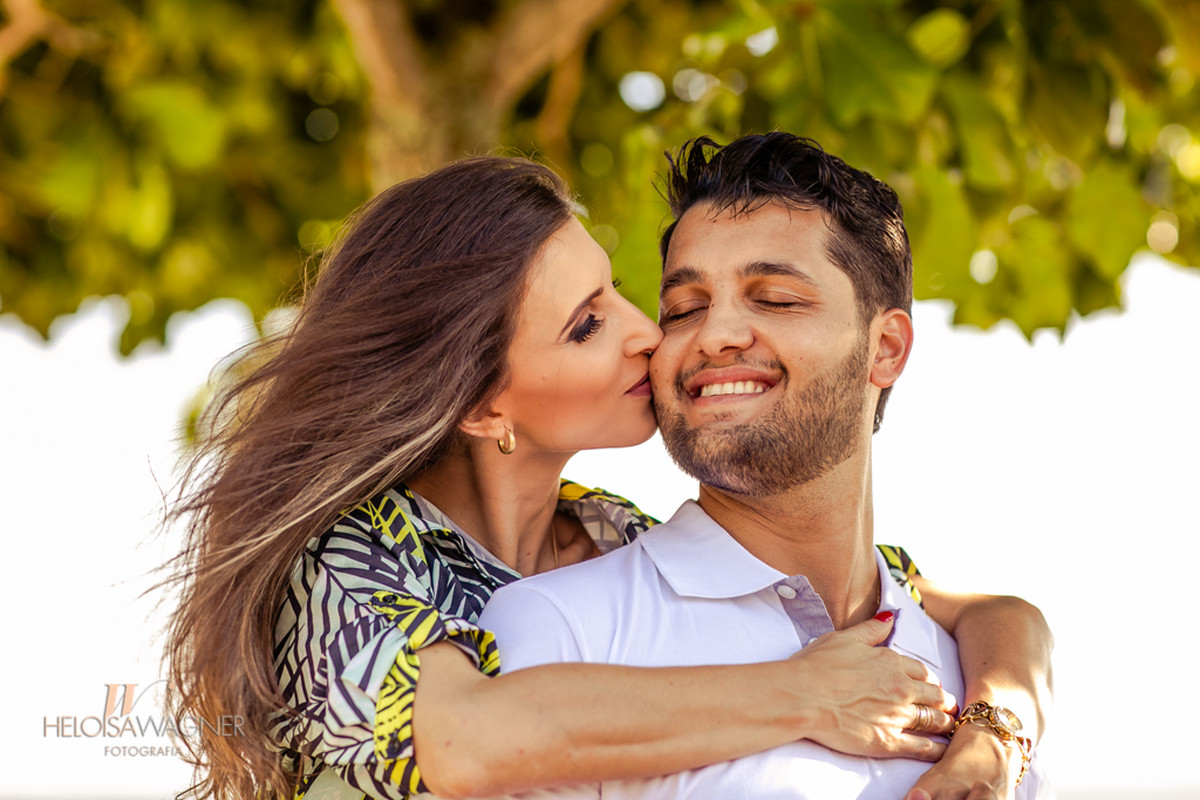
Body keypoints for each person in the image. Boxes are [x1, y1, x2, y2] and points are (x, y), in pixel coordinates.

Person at [163, 155, 1052, 800]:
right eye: (587, 325)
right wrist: (804, 694)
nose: (650, 335)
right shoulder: (352, 559)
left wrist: (995, 731)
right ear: (481, 407)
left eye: (631, 297)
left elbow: (982, 611)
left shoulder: (607, 533)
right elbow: (472, 741)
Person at [477, 133, 1051, 799]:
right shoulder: (560, 627)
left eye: (774, 298)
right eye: (683, 310)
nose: (714, 334)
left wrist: (996, 726)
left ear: (886, 349)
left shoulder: (984, 697)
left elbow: (1009, 615)